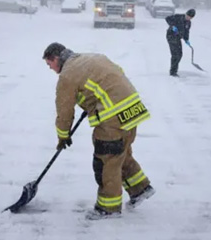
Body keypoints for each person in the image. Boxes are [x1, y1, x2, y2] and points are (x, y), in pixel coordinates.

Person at [43, 42, 155, 219]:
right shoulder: (93, 58)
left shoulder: (67, 75)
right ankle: (140, 189)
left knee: (106, 160)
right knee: (120, 152)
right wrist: (92, 102)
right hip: (133, 109)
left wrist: (63, 135)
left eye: (49, 64)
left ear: (55, 58)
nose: (51, 69)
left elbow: (64, 110)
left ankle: (108, 208)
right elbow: (114, 77)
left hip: (113, 116)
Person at [165, 9, 196, 77]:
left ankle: (174, 70)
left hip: (178, 38)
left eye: (190, 17)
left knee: (180, 54)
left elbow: (186, 31)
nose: (188, 18)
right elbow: (167, 18)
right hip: (171, 36)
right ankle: (173, 71)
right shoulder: (178, 17)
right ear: (186, 14)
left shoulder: (188, 23)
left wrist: (186, 39)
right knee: (176, 54)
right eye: (188, 16)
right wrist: (172, 26)